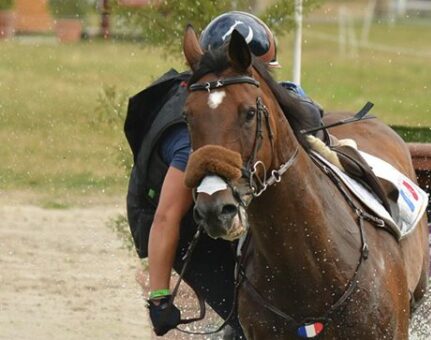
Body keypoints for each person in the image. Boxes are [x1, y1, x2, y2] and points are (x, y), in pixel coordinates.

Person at [124, 11, 323, 338]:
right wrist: (159, 298)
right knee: (254, 316)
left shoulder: (249, 99)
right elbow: (166, 216)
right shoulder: (194, 138)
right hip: (185, 227)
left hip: (225, 206)